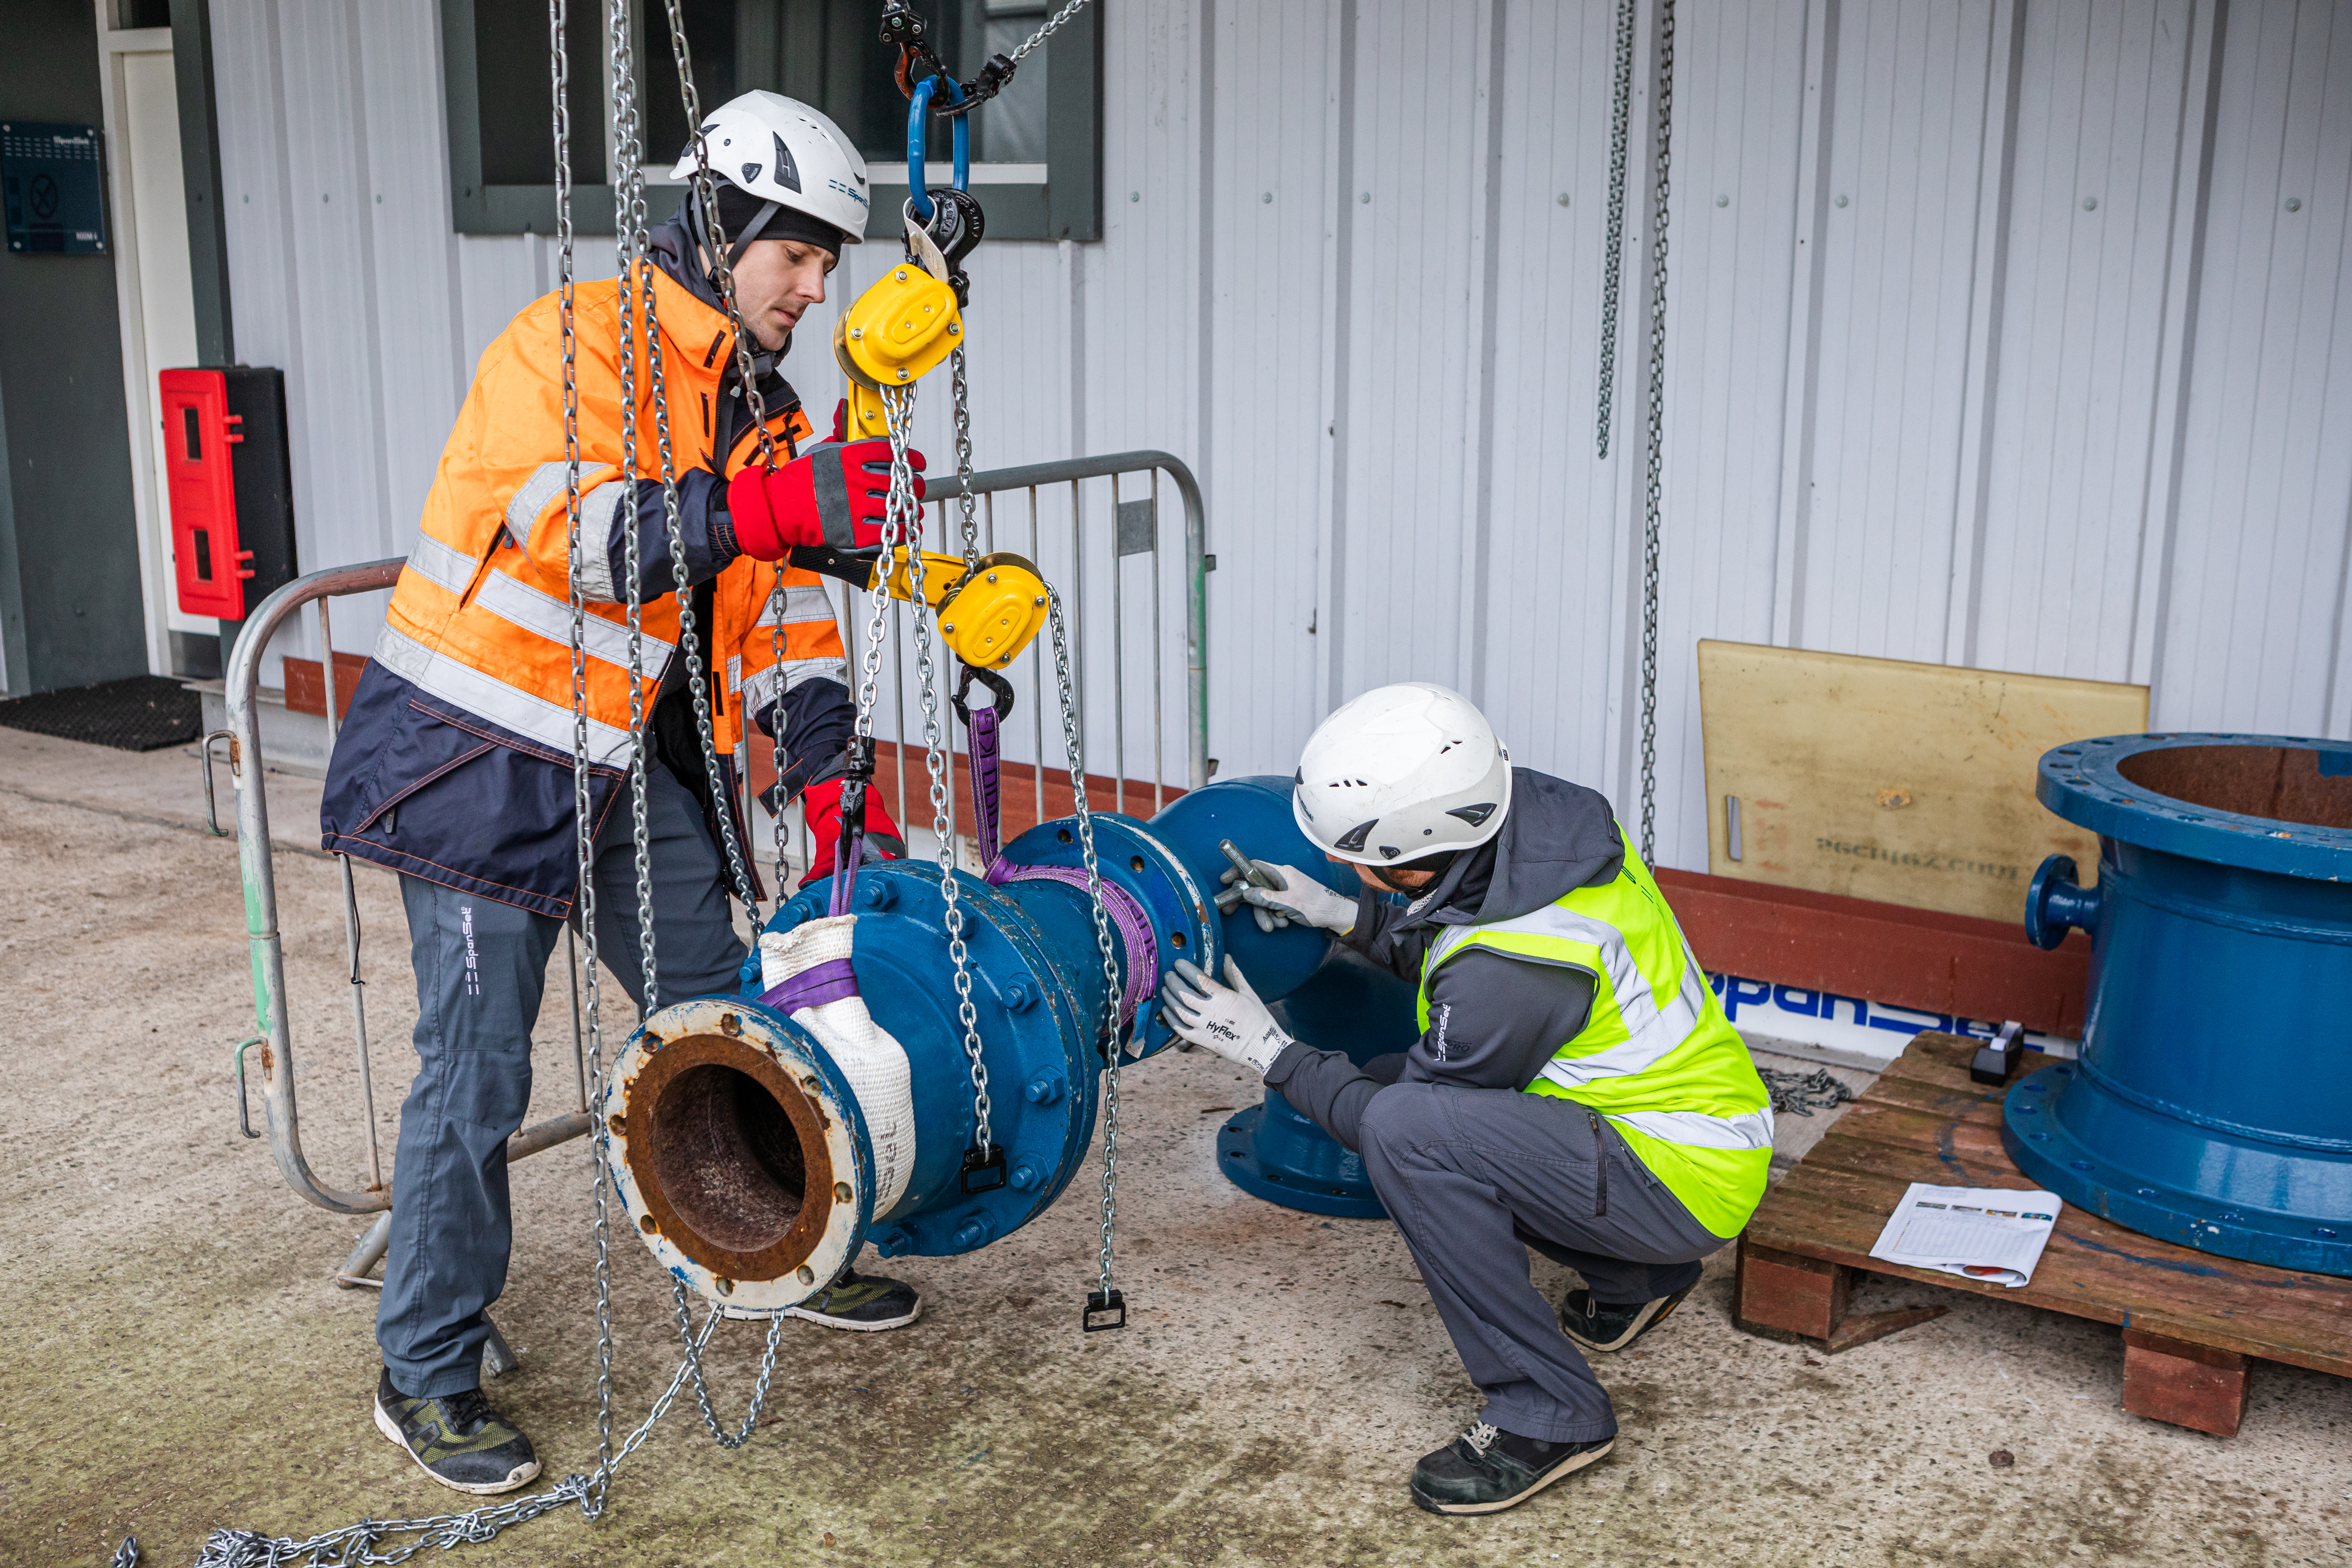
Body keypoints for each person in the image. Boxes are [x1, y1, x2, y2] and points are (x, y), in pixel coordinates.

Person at [318, 93, 925, 1496]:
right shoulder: (570, 344)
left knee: (722, 1005)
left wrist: (831, 769)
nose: (818, 286)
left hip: (621, 768)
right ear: (720, 227)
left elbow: (777, 614)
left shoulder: (753, 396)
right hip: (476, 764)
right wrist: (773, 508)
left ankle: (775, 1242)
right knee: (475, 1078)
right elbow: (591, 539)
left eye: (833, 261)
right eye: (800, 254)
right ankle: (425, 1370)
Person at [1159, 682, 1773, 1517]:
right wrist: (1343, 914)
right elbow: (1463, 939)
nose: (1343, 867)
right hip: (1688, 1133)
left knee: (1404, 1132)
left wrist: (1265, 1049)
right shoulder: (1539, 827)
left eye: (1356, 862)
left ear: (1415, 853)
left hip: (1677, 1171)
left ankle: (1548, 1412)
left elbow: (1416, 1117)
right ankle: (1638, 1272)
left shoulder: (1515, 968)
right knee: (1384, 1085)